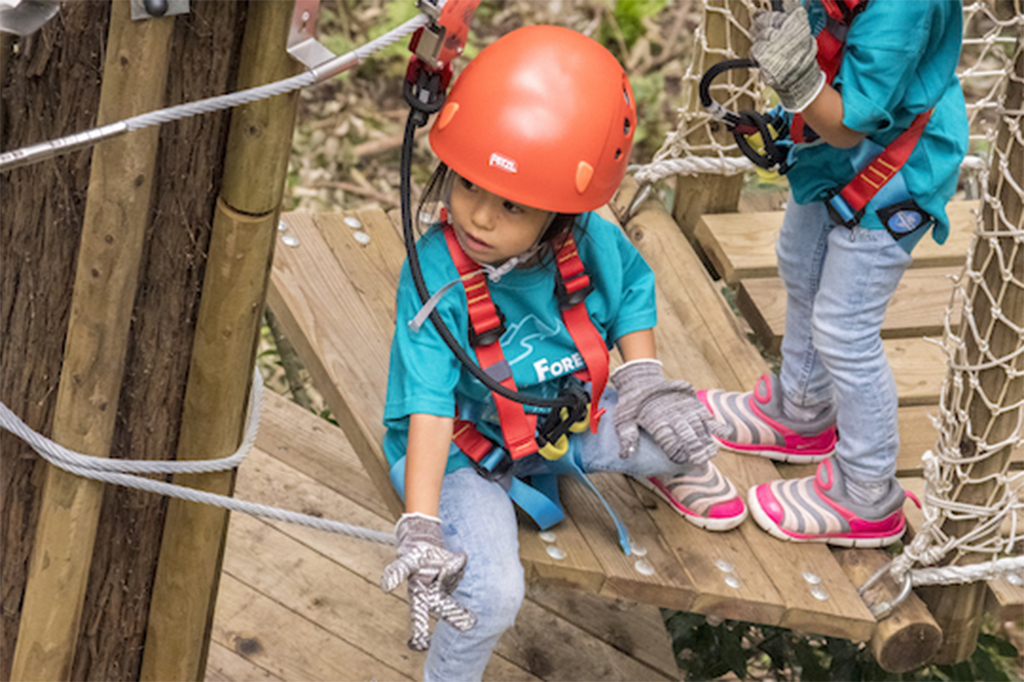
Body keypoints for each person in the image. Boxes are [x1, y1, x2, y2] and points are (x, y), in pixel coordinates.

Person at [379, 25, 747, 681]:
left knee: (689, 433)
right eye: (467, 186)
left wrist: (641, 376)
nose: (479, 219)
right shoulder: (436, 277)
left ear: (560, 211)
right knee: (491, 595)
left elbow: (633, 286)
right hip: (467, 452)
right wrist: (422, 522)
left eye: (511, 204)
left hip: (564, 423)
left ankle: (662, 463)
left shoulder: (588, 241)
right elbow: (432, 405)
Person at [664, 0, 968, 546]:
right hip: (832, 156)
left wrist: (801, 84)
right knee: (799, 263)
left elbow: (850, 123)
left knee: (845, 330)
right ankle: (800, 409)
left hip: (895, 174)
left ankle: (867, 490)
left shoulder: (905, 8)